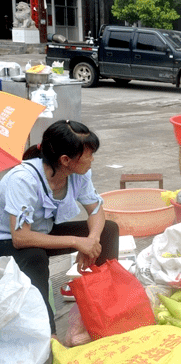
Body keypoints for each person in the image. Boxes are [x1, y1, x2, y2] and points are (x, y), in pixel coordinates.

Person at [0, 120, 119, 337]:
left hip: (43, 232)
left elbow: (96, 210)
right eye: (89, 154)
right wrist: (76, 242)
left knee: (108, 230)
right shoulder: (23, 180)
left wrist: (92, 240)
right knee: (35, 257)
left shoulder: (78, 175)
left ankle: (103, 310)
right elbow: (20, 238)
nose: (92, 159)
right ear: (66, 160)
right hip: (7, 240)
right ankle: (47, 334)